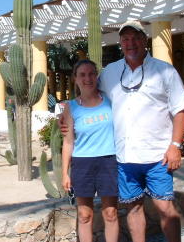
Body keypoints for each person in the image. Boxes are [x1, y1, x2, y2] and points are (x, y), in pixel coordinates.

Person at [60, 20, 184, 242]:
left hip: (157, 155)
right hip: (124, 157)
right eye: (125, 39)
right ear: (120, 43)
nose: (130, 43)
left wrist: (175, 146)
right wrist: (66, 115)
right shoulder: (110, 72)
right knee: (133, 209)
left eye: (135, 38)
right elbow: (89, 92)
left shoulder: (165, 71)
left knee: (165, 207)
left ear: (144, 40)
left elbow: (180, 110)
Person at [62, 59, 119, 242]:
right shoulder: (71, 107)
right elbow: (68, 141)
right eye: (82, 75)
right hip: (82, 163)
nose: (88, 78)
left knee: (110, 213)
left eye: (91, 74)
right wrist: (65, 173)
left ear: (97, 76)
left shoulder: (110, 100)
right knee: (85, 215)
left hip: (108, 161)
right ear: (76, 79)